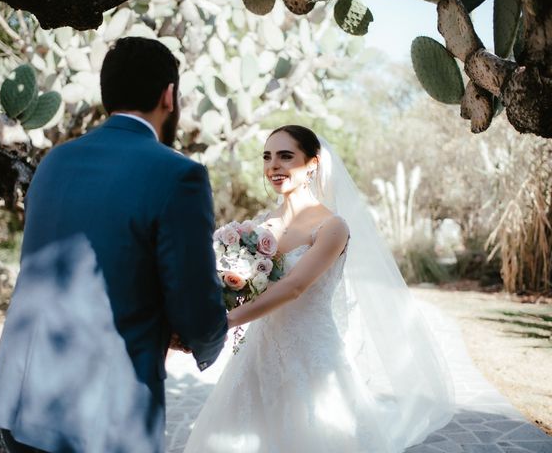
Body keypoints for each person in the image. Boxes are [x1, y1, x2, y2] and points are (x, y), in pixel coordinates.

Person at [0, 37, 228, 453]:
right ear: (169, 95)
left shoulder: (54, 161)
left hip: (23, 394)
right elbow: (192, 300)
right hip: (102, 409)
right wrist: (209, 338)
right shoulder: (179, 175)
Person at [183, 125, 454, 453]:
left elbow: (295, 287)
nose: (273, 166)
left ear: (312, 164)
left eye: (286, 156)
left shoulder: (332, 227)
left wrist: (225, 323)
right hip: (258, 353)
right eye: (267, 157)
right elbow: (238, 283)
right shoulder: (258, 227)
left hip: (312, 358)